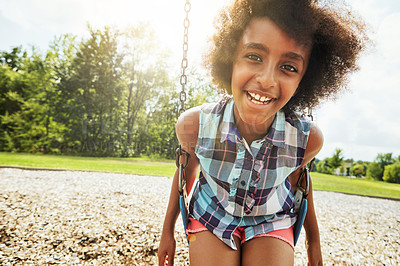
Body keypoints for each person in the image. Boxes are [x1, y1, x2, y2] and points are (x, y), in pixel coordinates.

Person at [158, 0, 368, 265]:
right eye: (254, 56)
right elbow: (185, 174)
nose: (267, 80)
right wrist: (167, 232)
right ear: (230, 57)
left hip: (271, 218)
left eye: (289, 67)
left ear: (306, 79)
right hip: (213, 213)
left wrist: (313, 243)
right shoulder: (195, 125)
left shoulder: (305, 139)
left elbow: (299, 184)